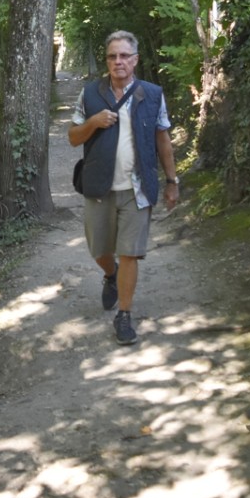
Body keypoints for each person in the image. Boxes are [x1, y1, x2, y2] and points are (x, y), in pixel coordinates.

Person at [67, 30, 179, 345]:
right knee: (99, 249)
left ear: (135, 60)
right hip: (99, 186)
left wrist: (172, 181)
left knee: (130, 252)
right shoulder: (90, 94)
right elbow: (74, 137)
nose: (119, 61)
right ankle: (110, 274)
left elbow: (163, 139)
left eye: (125, 56)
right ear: (107, 61)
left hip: (137, 187)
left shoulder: (152, 94)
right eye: (113, 56)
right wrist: (94, 122)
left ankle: (124, 315)